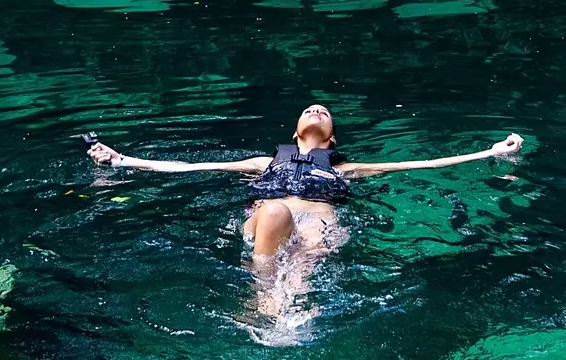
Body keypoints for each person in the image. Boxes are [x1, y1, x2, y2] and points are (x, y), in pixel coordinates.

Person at [85, 103, 523, 262]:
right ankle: (265, 298)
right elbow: (188, 167)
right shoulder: (262, 162)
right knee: (275, 210)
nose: (316, 109)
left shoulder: (344, 168)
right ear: (296, 132)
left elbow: (424, 164)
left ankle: (289, 319)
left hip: (320, 225)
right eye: (309, 109)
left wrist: (491, 152)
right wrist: (122, 159)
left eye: (324, 111)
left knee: (306, 257)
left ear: (329, 138)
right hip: (268, 221)